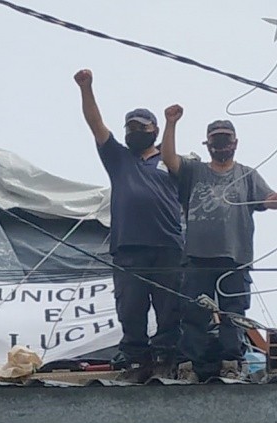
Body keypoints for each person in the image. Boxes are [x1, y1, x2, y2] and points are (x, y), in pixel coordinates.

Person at [160, 104, 277, 382]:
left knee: (233, 313)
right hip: (198, 256)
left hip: (235, 257)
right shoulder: (194, 171)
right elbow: (169, 158)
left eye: (226, 138)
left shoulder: (247, 175)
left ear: (235, 143)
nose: (222, 144)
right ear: (208, 143)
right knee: (193, 312)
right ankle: (190, 365)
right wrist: (171, 124)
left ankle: (231, 362)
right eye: (216, 139)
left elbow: (269, 200)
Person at [74, 69, 185, 383]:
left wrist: (172, 124)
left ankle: (166, 358)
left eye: (141, 127)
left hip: (168, 247)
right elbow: (96, 123)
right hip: (129, 247)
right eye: (130, 127)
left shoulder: (171, 160)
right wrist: (86, 87)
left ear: (154, 130)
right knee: (131, 308)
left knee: (169, 307)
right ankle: (136, 360)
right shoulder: (118, 157)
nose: (134, 131)